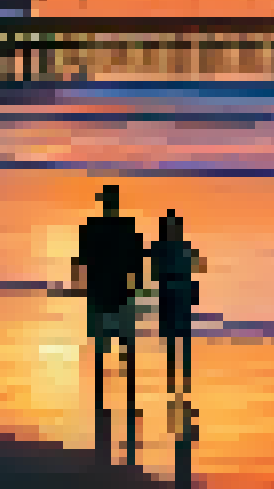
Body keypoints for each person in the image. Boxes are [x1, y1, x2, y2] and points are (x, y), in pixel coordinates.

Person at [74, 183, 146, 462]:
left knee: (107, 351)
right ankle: (124, 400)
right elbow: (138, 262)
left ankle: (106, 401)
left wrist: (82, 285)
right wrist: (137, 287)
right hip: (118, 295)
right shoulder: (125, 227)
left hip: (104, 295)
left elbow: (81, 260)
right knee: (122, 351)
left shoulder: (94, 227)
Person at [149, 208, 206, 393]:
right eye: (171, 225)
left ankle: (184, 378)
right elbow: (155, 273)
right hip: (172, 294)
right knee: (173, 341)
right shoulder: (166, 247)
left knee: (182, 339)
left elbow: (197, 267)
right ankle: (174, 379)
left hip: (179, 294)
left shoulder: (178, 247)